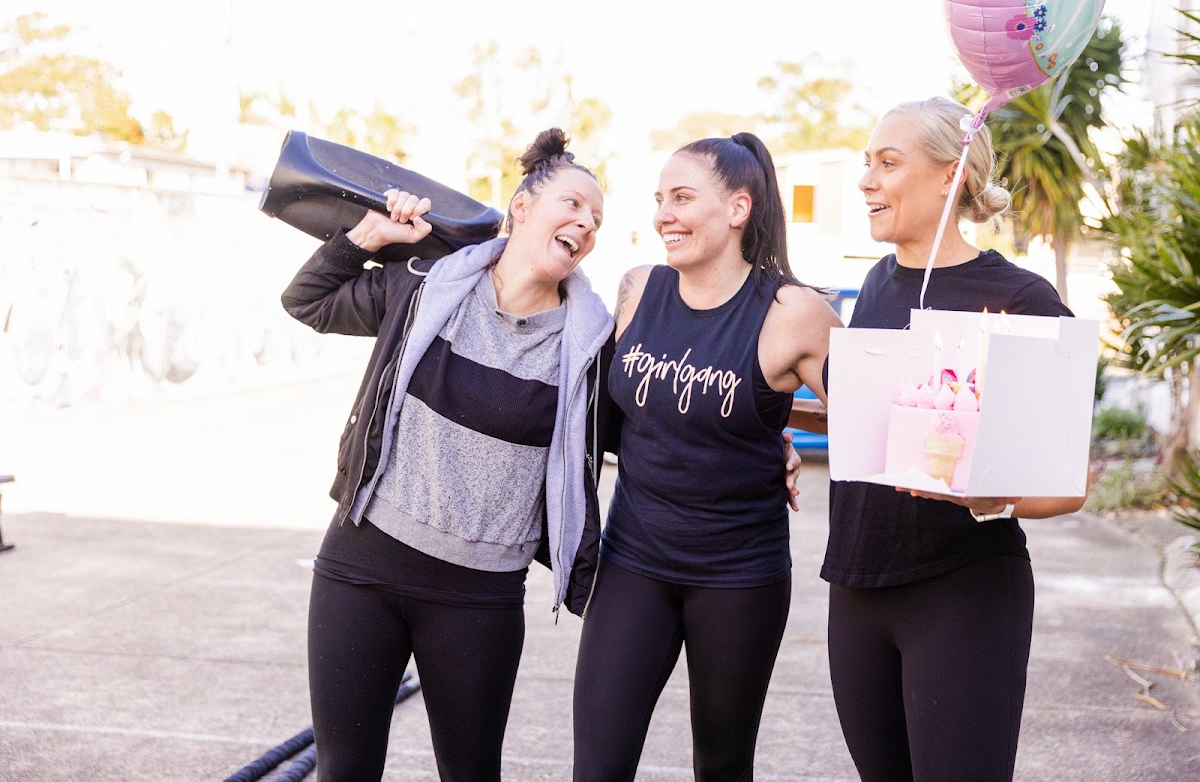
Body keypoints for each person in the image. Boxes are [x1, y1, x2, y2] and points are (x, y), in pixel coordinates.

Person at [281, 128, 614, 782]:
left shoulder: (590, 349)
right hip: (361, 567)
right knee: (343, 771)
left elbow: (661, 422)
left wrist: (764, 440)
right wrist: (368, 238)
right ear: (521, 208)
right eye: (574, 204)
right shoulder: (421, 286)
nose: (586, 222)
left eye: (597, 219)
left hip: (479, 597)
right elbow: (309, 303)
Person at [817, 97, 1089, 782]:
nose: (867, 180)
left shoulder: (1023, 299)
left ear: (951, 174)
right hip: (855, 589)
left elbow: (1066, 485)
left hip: (962, 594)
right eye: (866, 163)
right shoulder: (876, 284)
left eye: (888, 162)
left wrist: (989, 496)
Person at [572, 132, 843, 781]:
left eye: (683, 197)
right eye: (660, 198)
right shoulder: (639, 288)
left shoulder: (793, 313)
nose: (664, 213)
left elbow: (876, 424)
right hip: (633, 560)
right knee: (597, 767)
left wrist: (773, 432)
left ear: (738, 209)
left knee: (722, 767)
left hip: (738, 578)